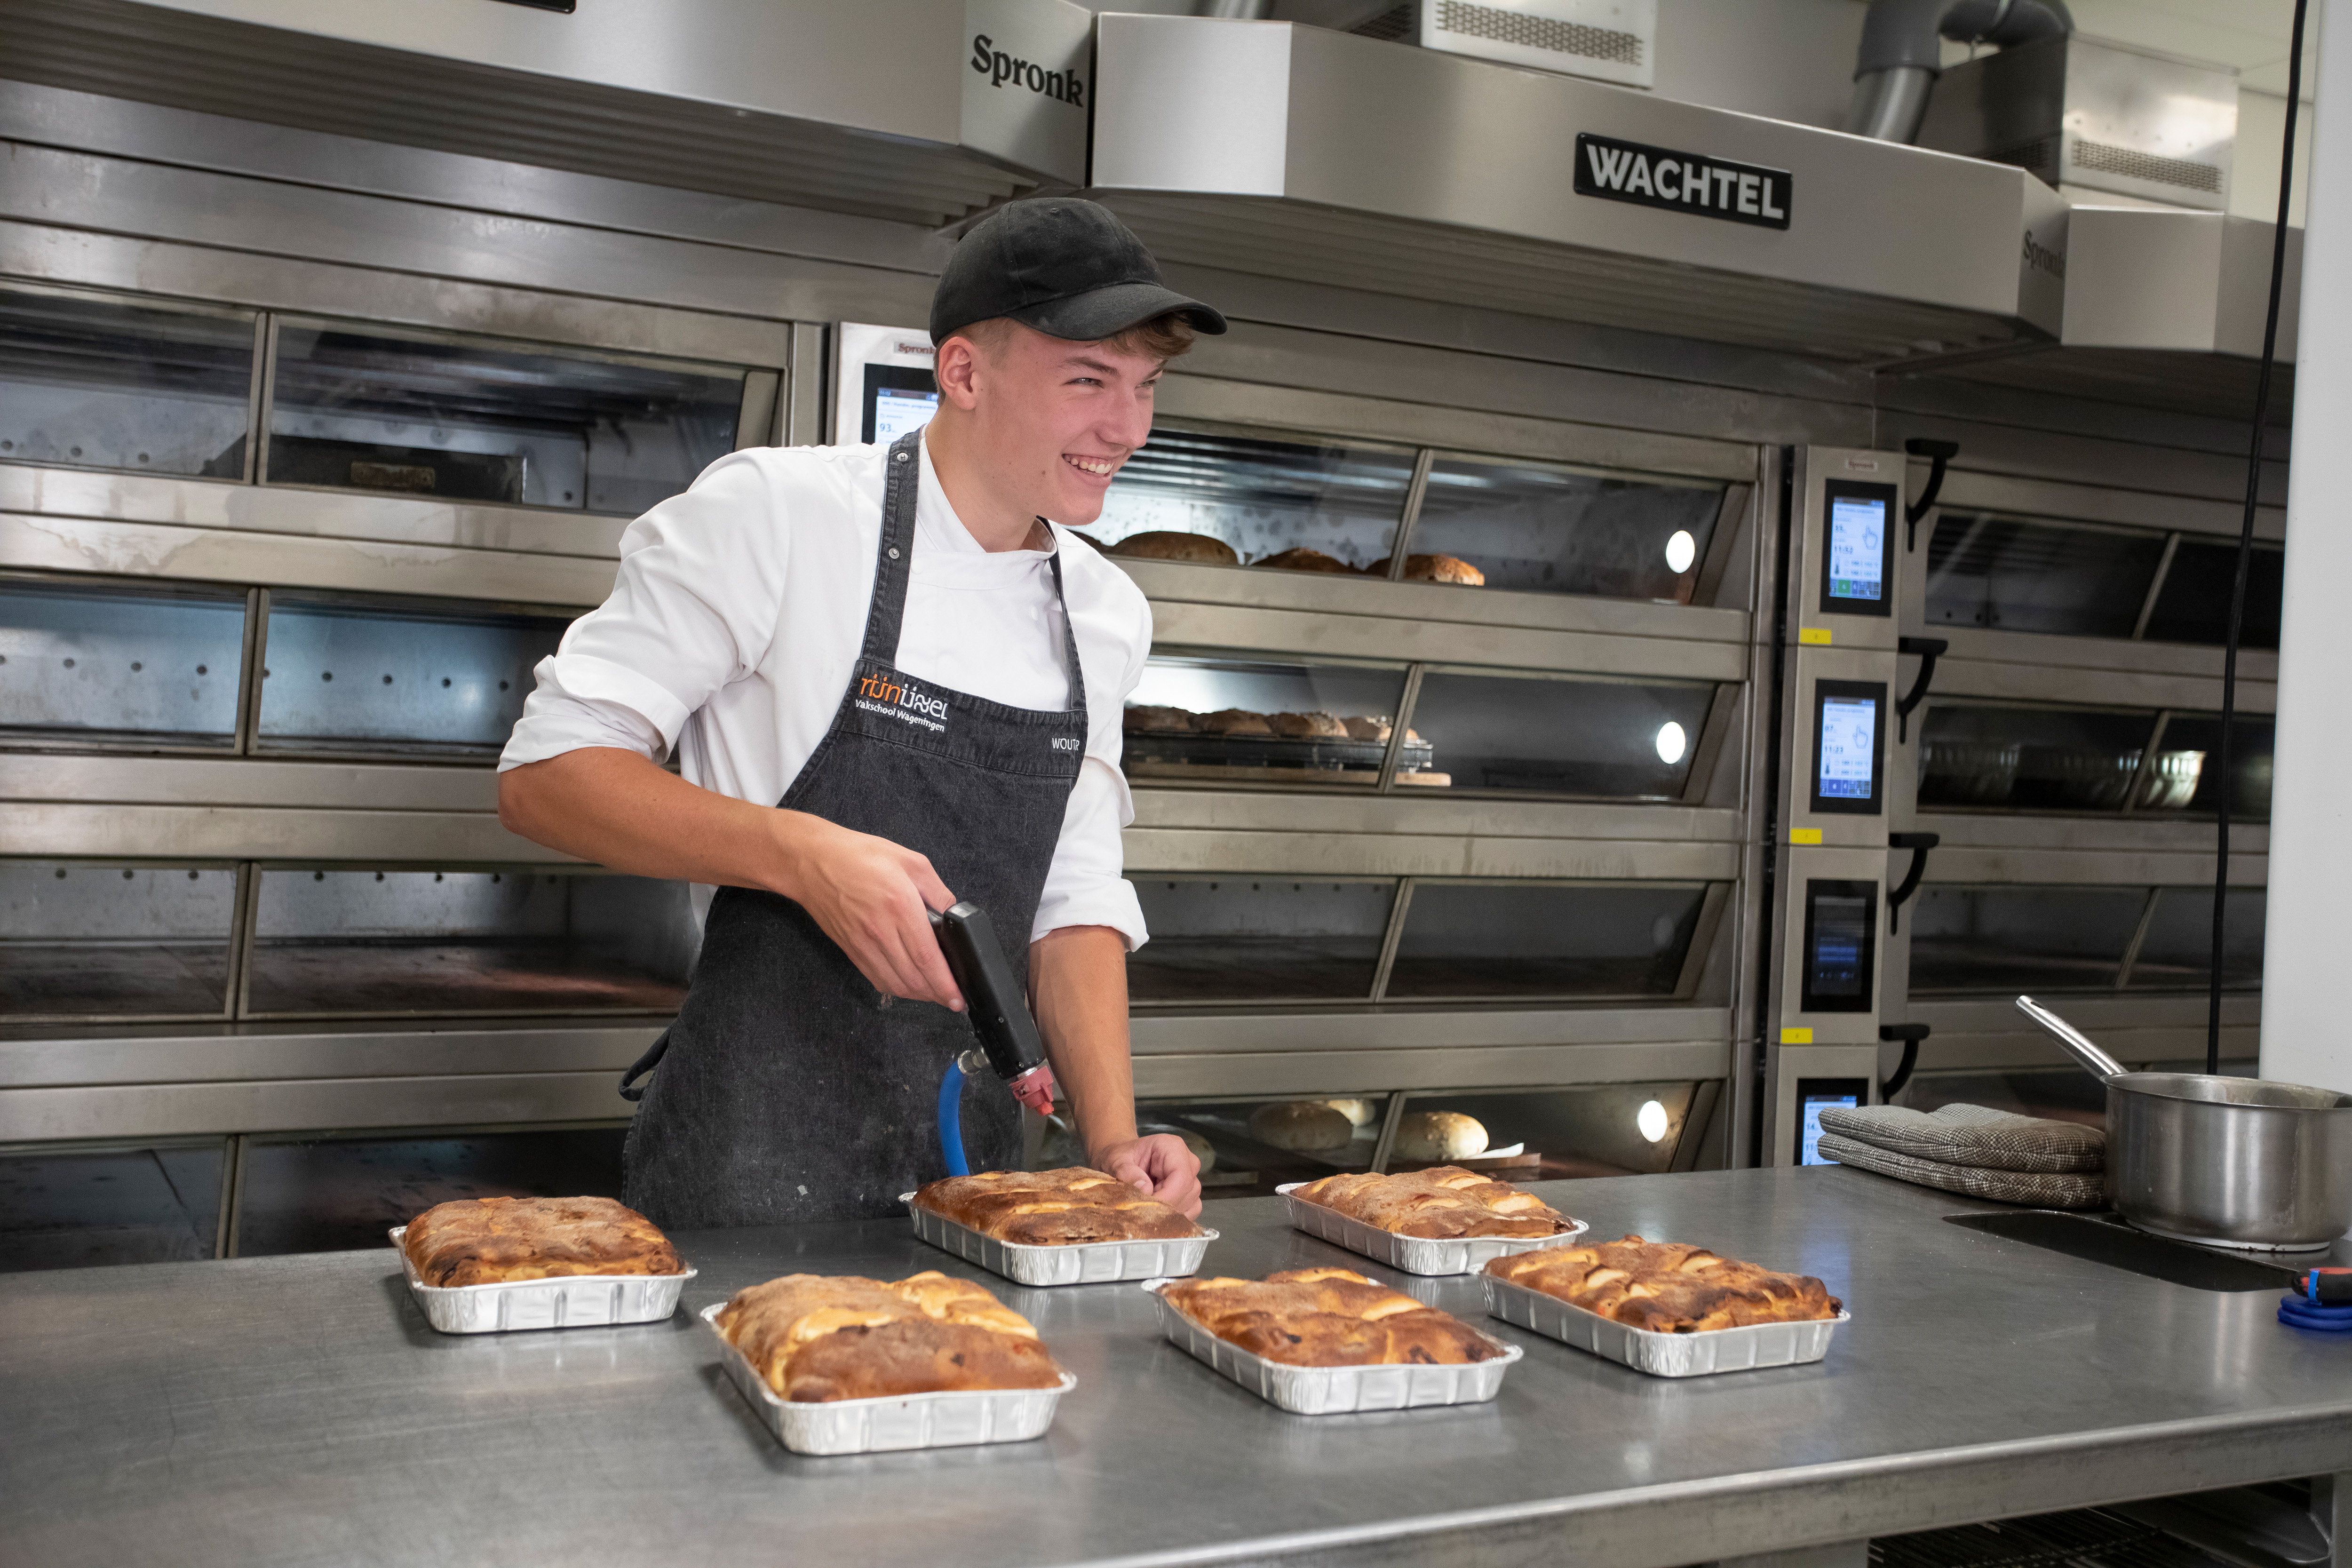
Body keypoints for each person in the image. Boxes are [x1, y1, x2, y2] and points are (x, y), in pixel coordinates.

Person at [496, 199, 1221, 1226]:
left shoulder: (1104, 610)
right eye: (1087, 381)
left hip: (981, 1179)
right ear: (963, 373)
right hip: (750, 1159)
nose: (1127, 429)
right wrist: (800, 854)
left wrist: (1111, 1139)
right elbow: (546, 776)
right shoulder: (779, 516)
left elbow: (1072, 893)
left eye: (1145, 387)